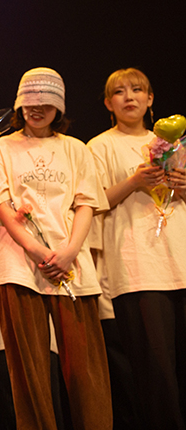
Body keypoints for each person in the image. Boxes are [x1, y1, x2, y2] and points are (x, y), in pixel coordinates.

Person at [0, 67, 112, 430]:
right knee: (29, 371)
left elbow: (86, 203)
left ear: (60, 107)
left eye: (46, 103)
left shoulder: (76, 148)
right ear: (19, 104)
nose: (36, 109)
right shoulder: (0, 148)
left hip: (71, 263)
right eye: (30, 102)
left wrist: (69, 251)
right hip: (19, 264)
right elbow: (1, 205)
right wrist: (35, 250)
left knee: (87, 368)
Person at [86, 68, 186, 429]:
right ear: (108, 103)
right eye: (120, 92)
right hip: (138, 268)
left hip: (180, 258)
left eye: (137, 90)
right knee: (156, 374)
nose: (129, 97)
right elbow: (92, 202)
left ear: (150, 98)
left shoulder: (174, 143)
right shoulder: (98, 146)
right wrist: (133, 181)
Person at [0, 224, 67, 430]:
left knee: (50, 404)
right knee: (13, 408)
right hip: (1, 334)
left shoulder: (40, 238)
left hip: (43, 333)